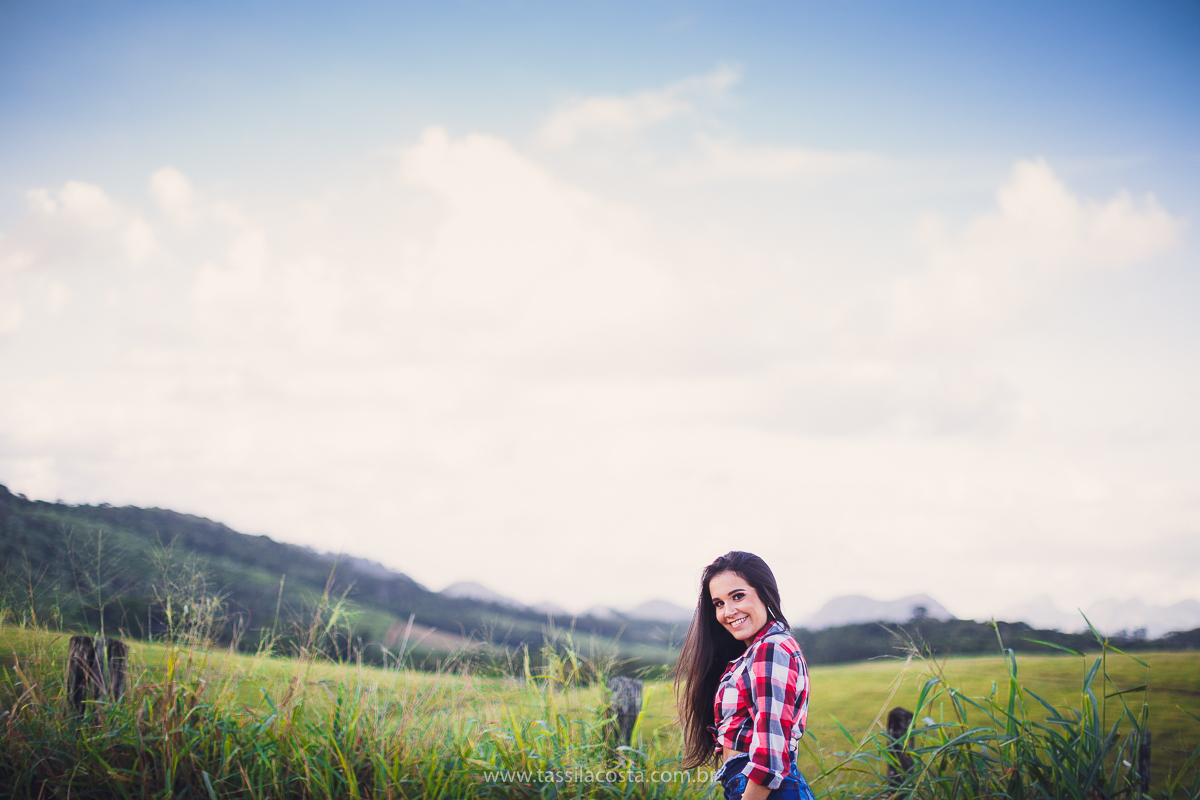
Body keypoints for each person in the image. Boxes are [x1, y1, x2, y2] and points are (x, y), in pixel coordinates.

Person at [673, 551, 814, 800]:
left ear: (765, 593)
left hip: (764, 791)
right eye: (718, 603)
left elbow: (770, 755)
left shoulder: (771, 649)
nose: (728, 611)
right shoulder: (755, 652)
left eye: (738, 596)